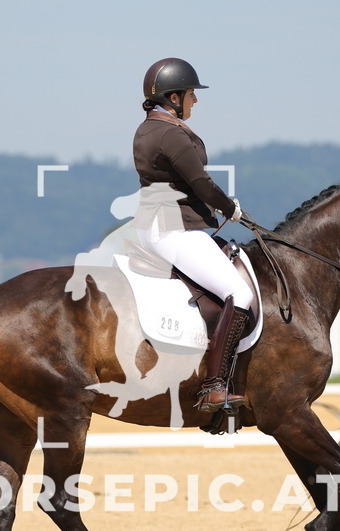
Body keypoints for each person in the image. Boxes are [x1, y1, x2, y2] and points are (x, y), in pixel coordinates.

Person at [133, 57, 255, 413]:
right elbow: (200, 182)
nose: (195, 101)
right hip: (175, 229)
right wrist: (229, 207)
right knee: (240, 292)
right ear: (174, 97)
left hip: (158, 224)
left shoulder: (147, 129)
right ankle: (215, 386)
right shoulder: (171, 133)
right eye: (190, 94)